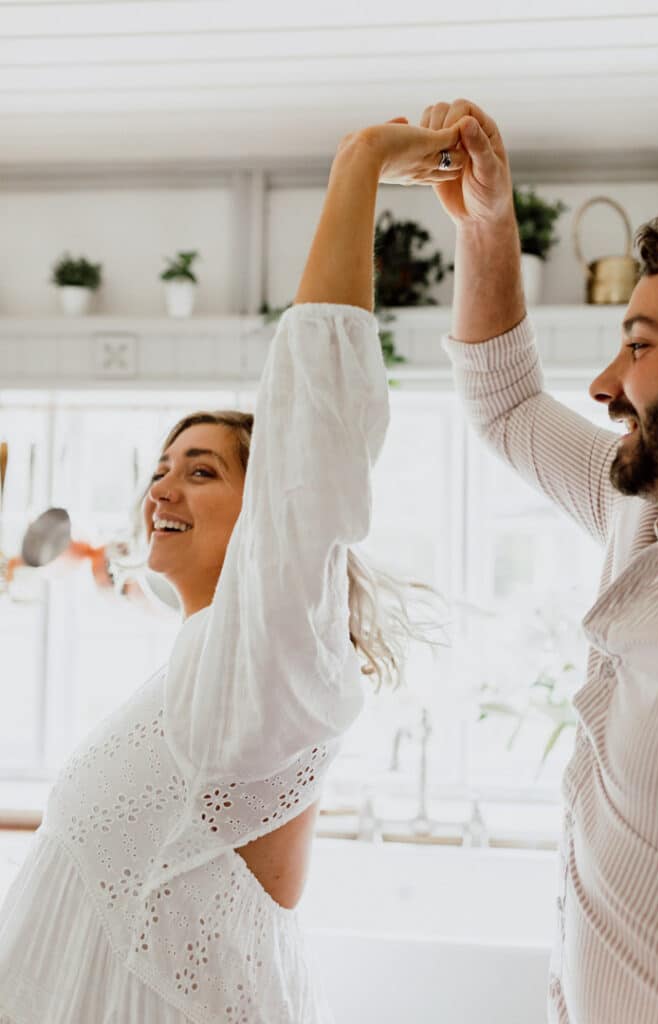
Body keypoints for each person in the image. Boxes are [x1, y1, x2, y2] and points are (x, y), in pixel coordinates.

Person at [0, 117, 462, 1023]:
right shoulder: (215, 654)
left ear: (270, 517)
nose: (162, 487)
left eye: (202, 470)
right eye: (159, 469)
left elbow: (316, 432)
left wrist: (358, 164)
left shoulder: (274, 640)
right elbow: (123, 577)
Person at [426, 97, 658, 1023]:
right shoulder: (636, 500)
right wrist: (488, 222)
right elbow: (503, 404)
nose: (606, 384)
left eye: (639, 347)